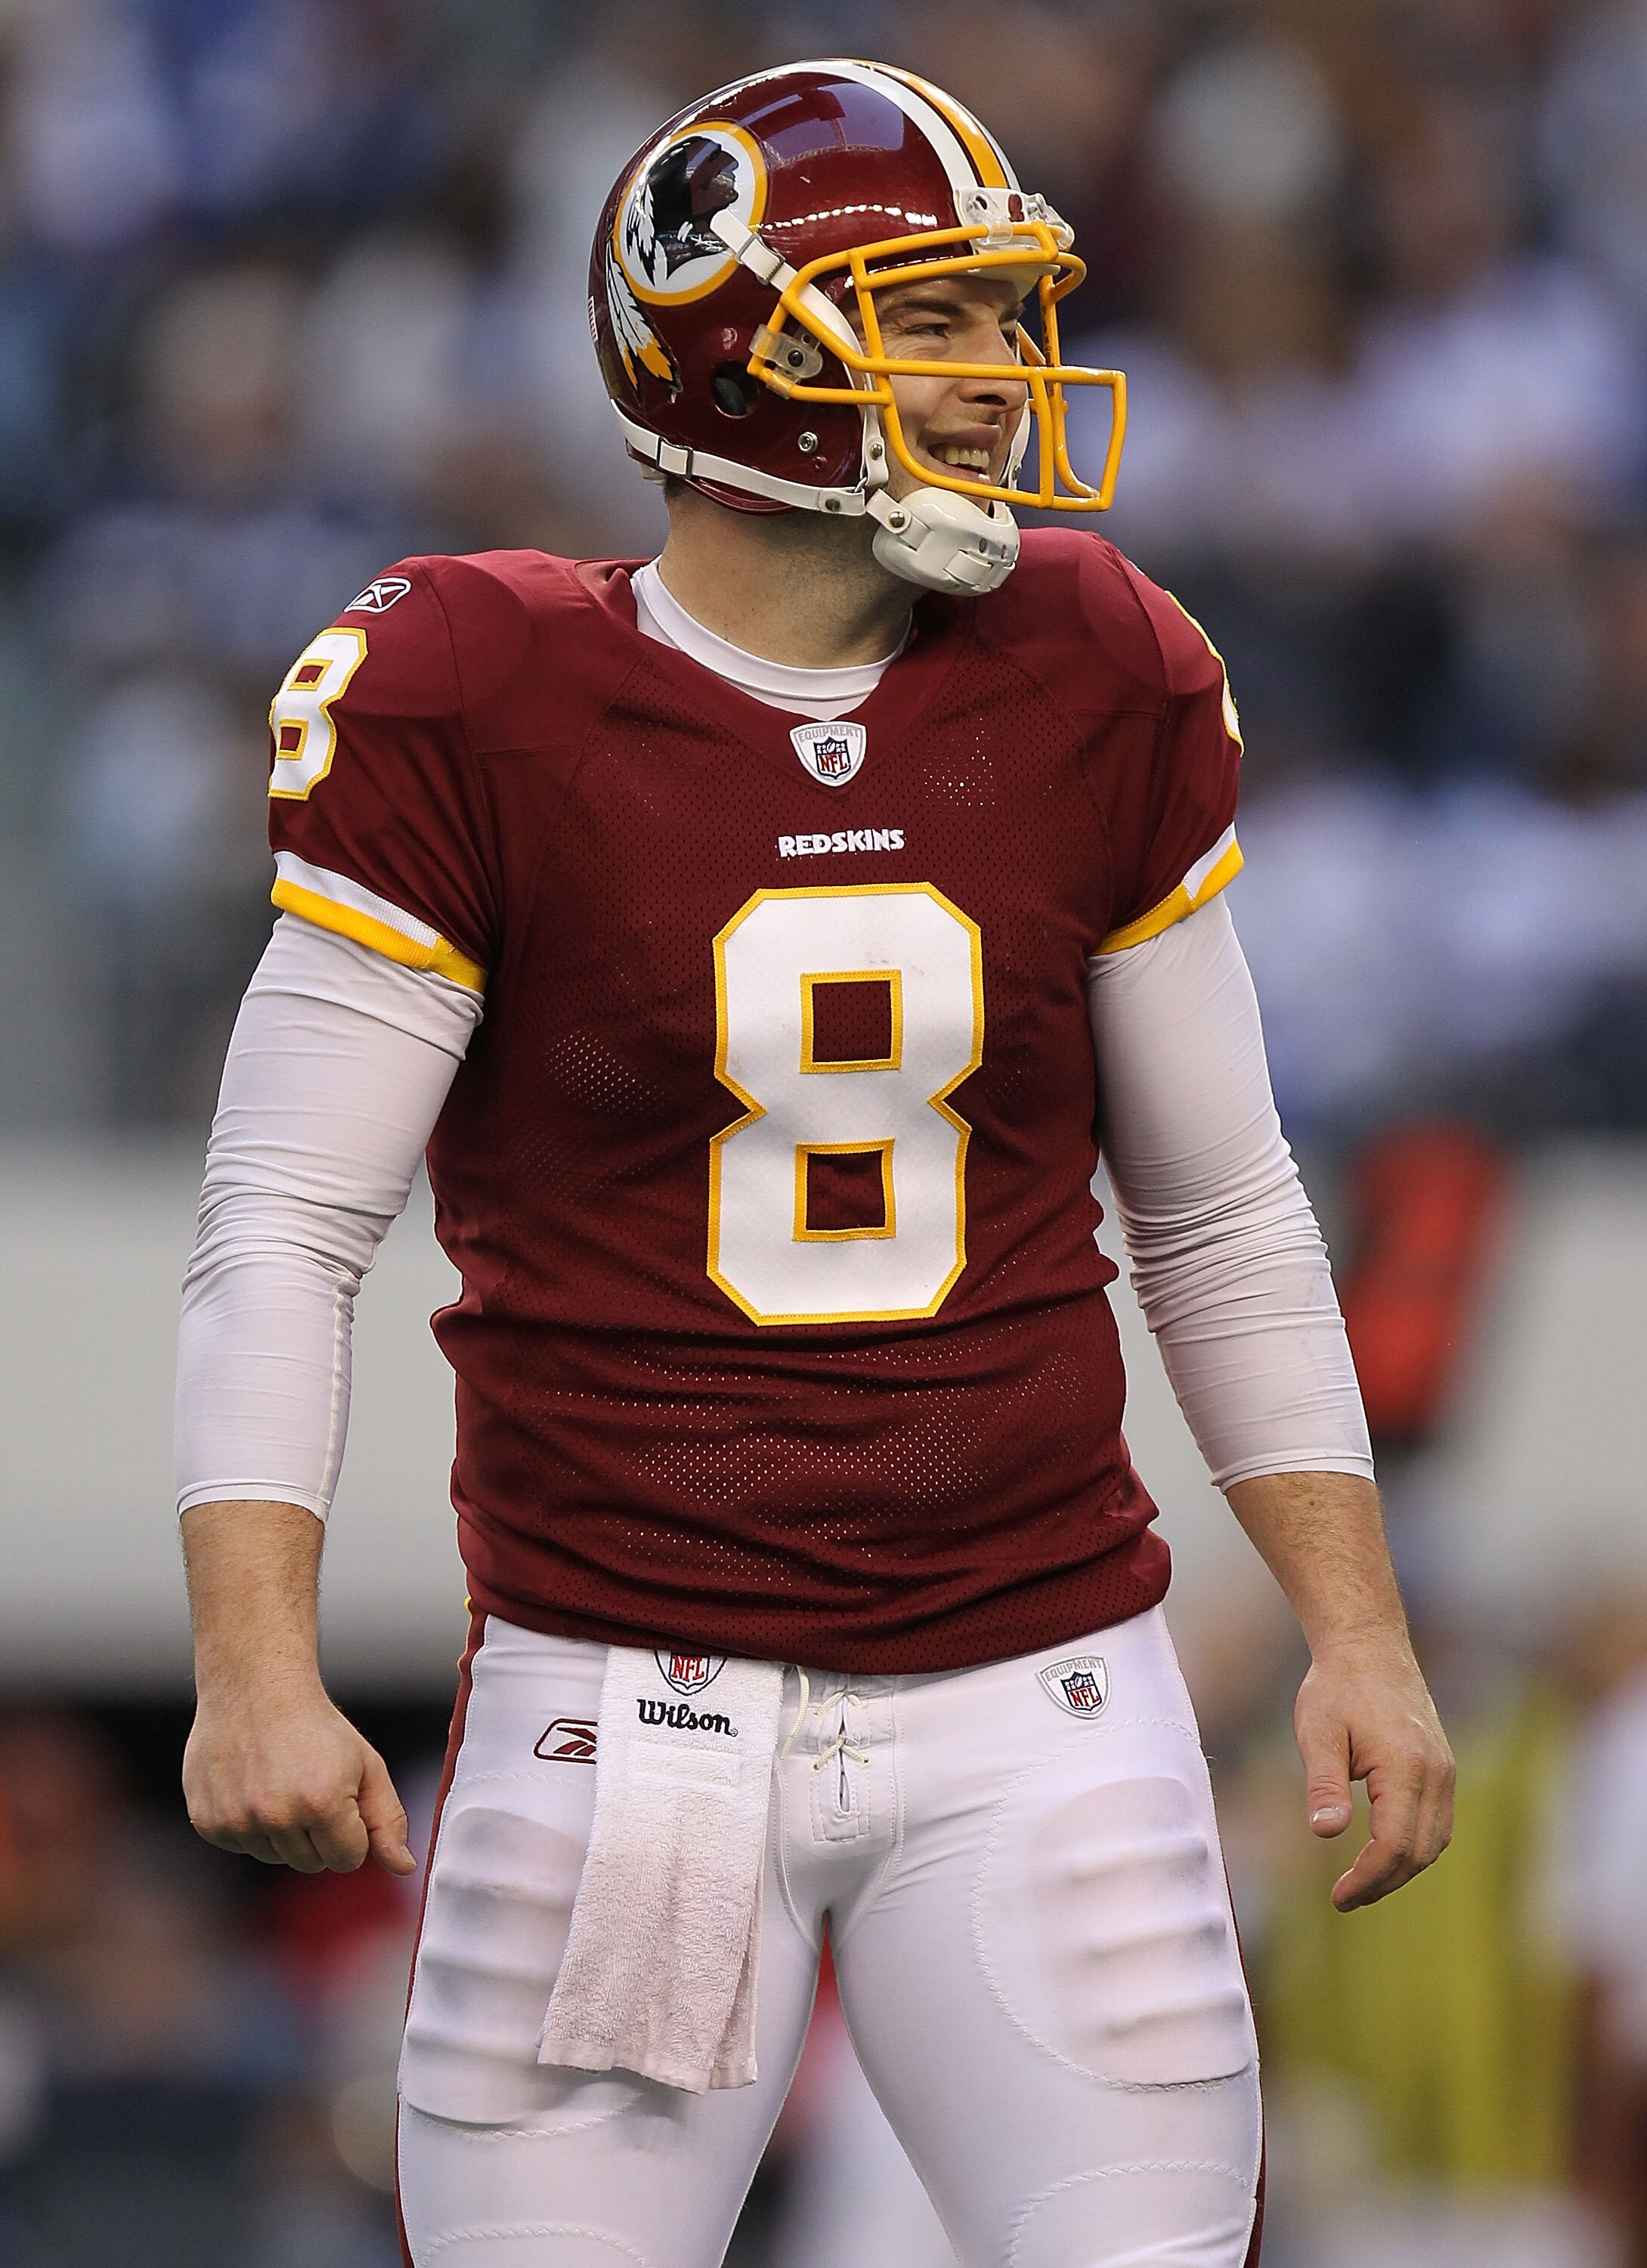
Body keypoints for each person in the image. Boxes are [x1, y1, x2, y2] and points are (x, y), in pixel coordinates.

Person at [174, 60, 1454, 2268]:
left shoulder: (1094, 666)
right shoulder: (474, 689)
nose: (1000, 377)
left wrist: (1354, 1625)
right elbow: (285, 1222)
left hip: (1044, 1692)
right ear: (744, 346)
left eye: (999, 315)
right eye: (939, 319)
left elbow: (1222, 1209)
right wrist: (253, 1661)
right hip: (624, 1711)